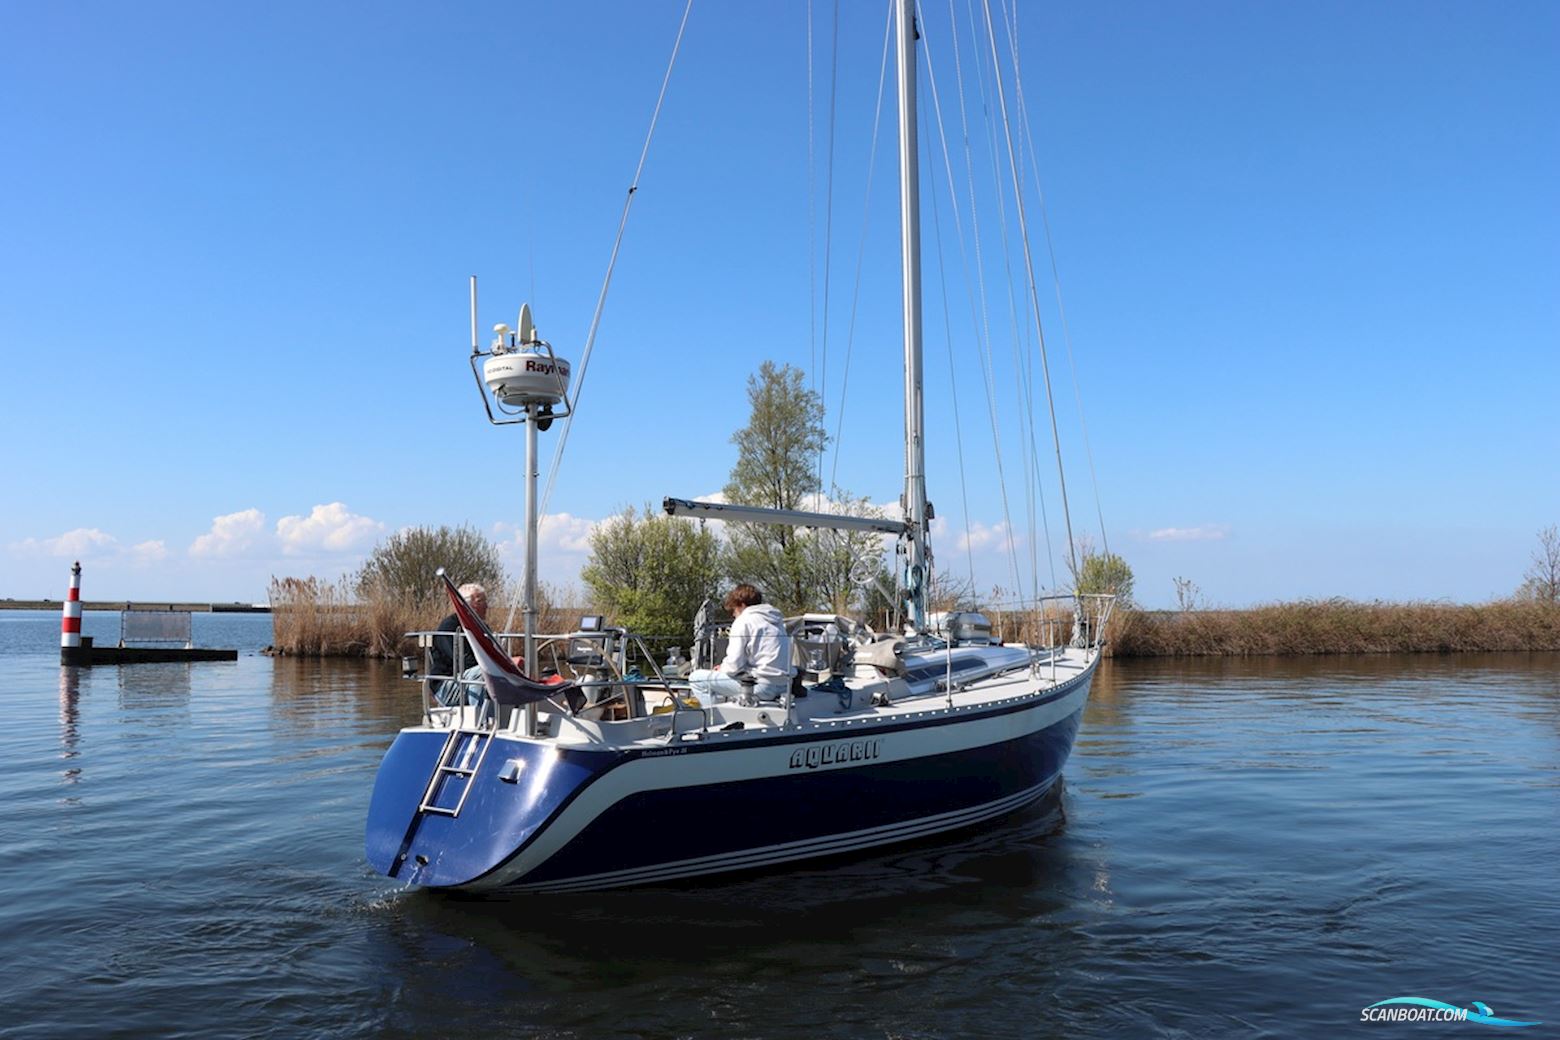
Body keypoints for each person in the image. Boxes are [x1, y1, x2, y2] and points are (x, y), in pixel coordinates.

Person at [688, 584, 793, 705]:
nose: (733, 614)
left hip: (761, 687)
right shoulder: (776, 621)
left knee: (696, 679)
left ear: (742, 605)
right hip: (785, 685)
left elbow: (734, 665)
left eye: (733, 609)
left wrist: (721, 669)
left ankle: (718, 719)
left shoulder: (744, 621)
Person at [430, 582, 487, 705]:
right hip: (447, 686)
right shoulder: (449, 627)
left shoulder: (482, 628)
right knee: (483, 672)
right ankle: (480, 719)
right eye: (480, 601)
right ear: (467, 604)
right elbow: (464, 662)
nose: (486, 606)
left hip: (466, 680)